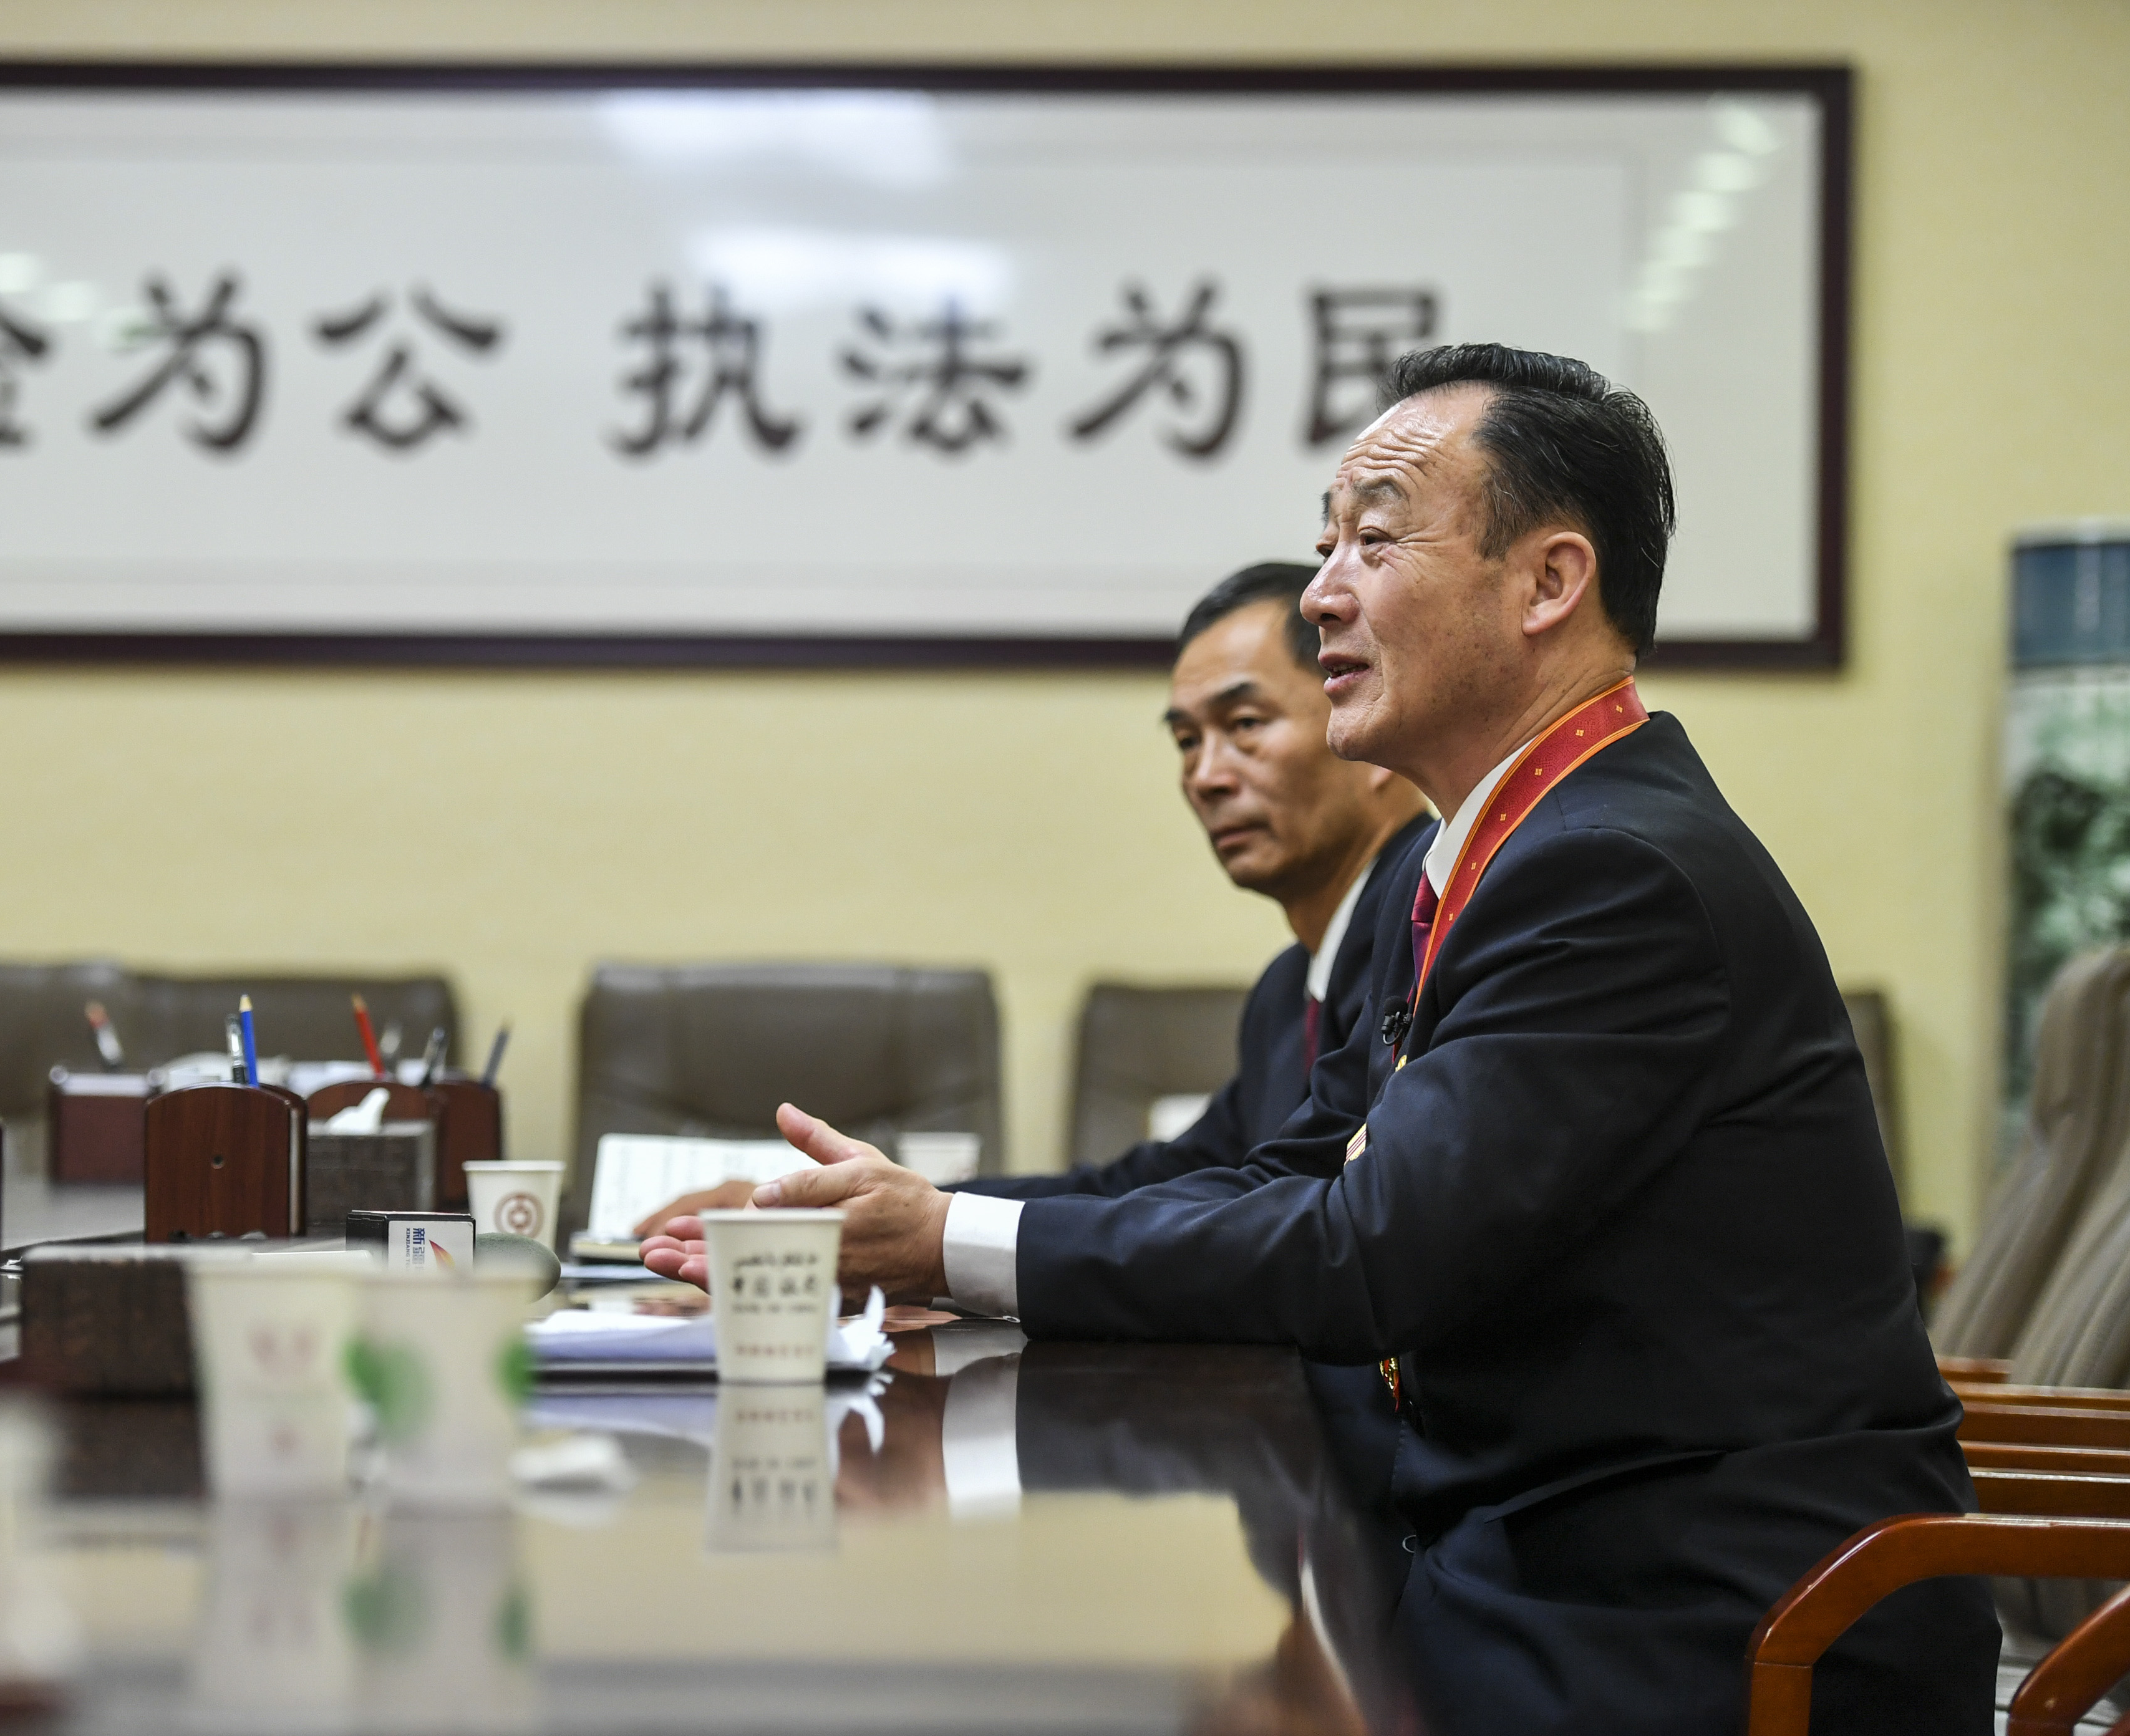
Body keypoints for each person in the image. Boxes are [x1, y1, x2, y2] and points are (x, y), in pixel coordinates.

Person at [644, 344, 1994, 1733]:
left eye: (1375, 540)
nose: (1323, 593)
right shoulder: (1486, 860)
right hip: (1539, 1568)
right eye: (1323, 545)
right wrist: (930, 1226)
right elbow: (1283, 1170)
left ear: (1549, 582)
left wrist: (943, 1242)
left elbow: (1367, 1251)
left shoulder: (1615, 872)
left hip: (1706, 1629)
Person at [629, 562, 1426, 1232]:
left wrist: (939, 1233)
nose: (1206, 775)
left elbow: (1297, 1214)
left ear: (1368, 730)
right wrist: (887, 1210)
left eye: (1245, 724)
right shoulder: (1288, 992)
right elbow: (1162, 1183)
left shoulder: (1427, 929)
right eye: (1187, 740)